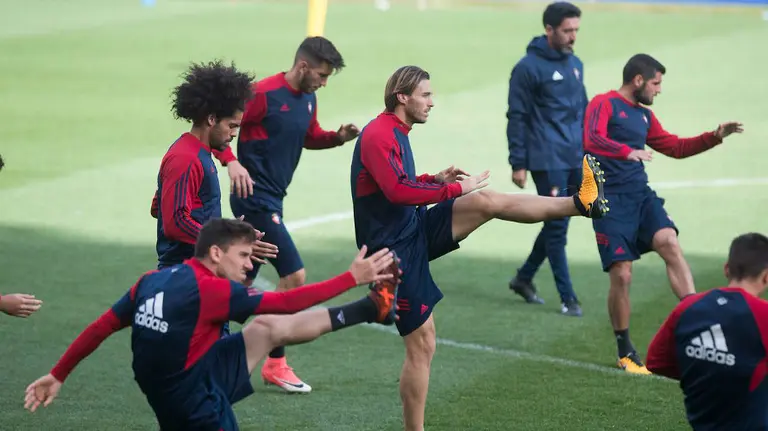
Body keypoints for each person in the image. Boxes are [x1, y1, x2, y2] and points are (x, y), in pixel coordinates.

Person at [350, 65, 608, 431]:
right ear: (402, 96)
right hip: (391, 254)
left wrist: (433, 179)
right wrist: (454, 188)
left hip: (411, 229)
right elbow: (395, 191)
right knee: (422, 345)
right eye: (425, 95)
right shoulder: (378, 134)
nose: (432, 102)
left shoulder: (397, 131)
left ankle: (580, 204)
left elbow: (398, 183)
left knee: (486, 201)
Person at [24, 218, 401, 431]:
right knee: (270, 321)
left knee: (264, 330)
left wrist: (58, 374)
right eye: (243, 256)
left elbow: (101, 327)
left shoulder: (151, 280)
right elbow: (289, 300)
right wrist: (351, 276)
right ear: (216, 253)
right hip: (196, 402)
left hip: (181, 379)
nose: (249, 265)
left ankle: (371, 309)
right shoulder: (212, 293)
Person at [583, 53, 744, 374]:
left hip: (641, 197)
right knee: (622, 274)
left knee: (669, 242)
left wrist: (713, 137)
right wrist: (626, 151)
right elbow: (591, 138)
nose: (659, 90)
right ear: (638, 80)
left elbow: (674, 146)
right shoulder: (604, 103)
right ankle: (625, 349)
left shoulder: (643, 117)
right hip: (608, 200)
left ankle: (700, 324)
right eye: (656, 83)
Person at [215, 36, 359, 393]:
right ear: (304, 66)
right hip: (253, 200)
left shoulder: (308, 99)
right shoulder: (262, 94)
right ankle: (275, 363)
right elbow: (218, 127)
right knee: (294, 275)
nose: (324, 83)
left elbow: (307, 136)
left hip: (274, 199)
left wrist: (337, 138)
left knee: (241, 282)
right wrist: (231, 163)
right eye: (322, 75)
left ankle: (207, 342)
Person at [149, 59, 277, 271]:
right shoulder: (185, 158)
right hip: (182, 273)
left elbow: (159, 208)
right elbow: (175, 223)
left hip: (197, 270)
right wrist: (228, 243)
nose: (235, 134)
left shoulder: (200, 153)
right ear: (211, 119)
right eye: (231, 126)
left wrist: (229, 230)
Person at [506, 1, 586, 316]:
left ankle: (523, 278)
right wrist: (518, 162)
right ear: (549, 29)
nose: (573, 37)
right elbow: (517, 115)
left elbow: (583, 108)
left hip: (574, 156)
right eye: (567, 31)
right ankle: (568, 298)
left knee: (559, 221)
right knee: (557, 227)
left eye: (576, 30)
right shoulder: (527, 68)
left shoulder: (575, 63)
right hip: (546, 157)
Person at [646, 232, 768, 430]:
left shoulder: (688, 307)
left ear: (727, 269)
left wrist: (708, 370)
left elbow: (656, 362)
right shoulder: (763, 315)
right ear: (766, 276)